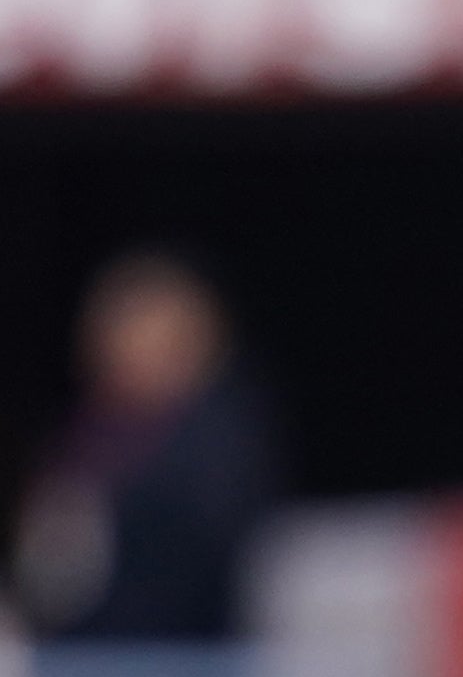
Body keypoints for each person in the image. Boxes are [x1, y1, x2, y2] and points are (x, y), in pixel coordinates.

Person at [11, 255, 279, 645]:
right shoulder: (92, 431)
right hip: (85, 658)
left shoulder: (215, 438)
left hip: (181, 660)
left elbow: (199, 553)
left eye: (138, 333)